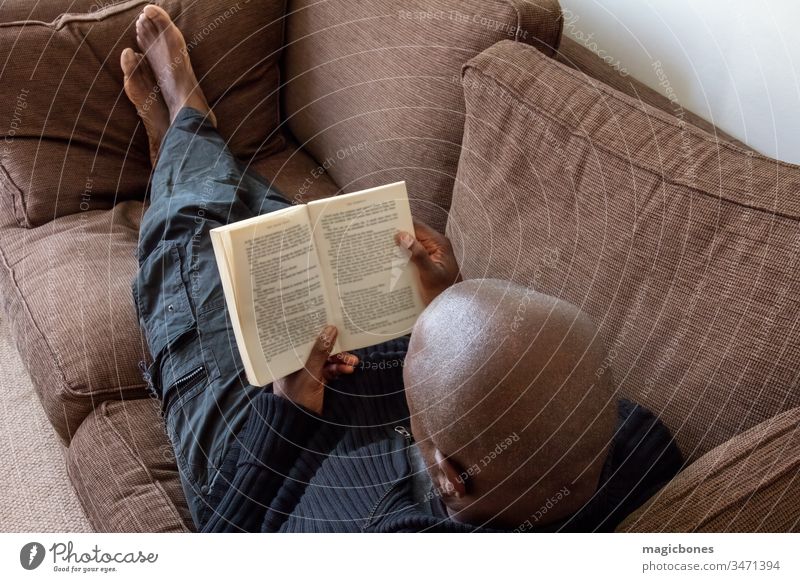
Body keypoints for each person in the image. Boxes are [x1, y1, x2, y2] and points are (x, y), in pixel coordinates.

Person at [128, 5, 682, 532]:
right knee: (278, 236)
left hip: (259, 457)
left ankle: (185, 120)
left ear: (448, 477)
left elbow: (230, 535)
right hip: (388, 419)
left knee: (190, 248)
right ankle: (182, 158)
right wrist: (447, 303)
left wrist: (289, 413)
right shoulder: (637, 445)